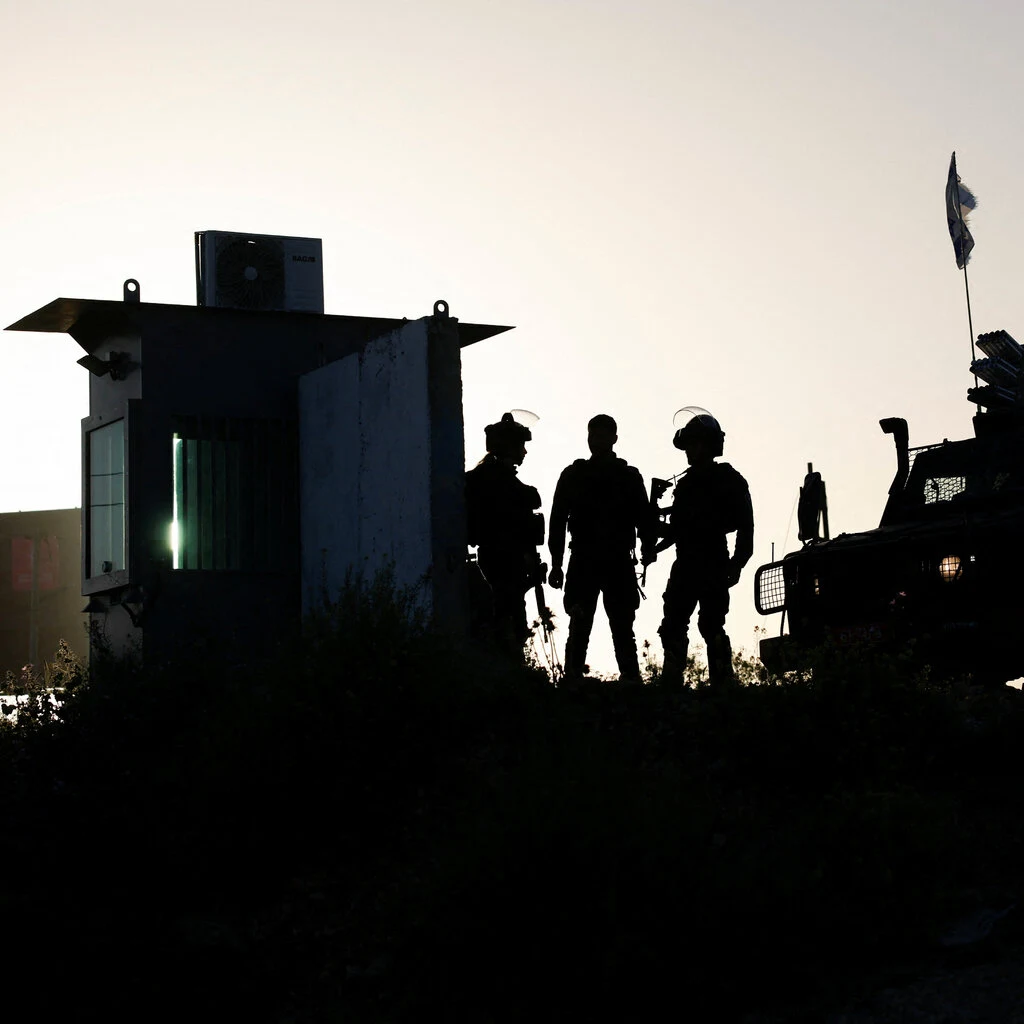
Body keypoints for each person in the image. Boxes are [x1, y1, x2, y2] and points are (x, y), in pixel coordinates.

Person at [548, 414, 656, 684]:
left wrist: (648, 547)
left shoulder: (626, 477)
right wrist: (557, 563)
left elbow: (644, 519)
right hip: (585, 560)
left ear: (613, 439)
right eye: (593, 435)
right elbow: (558, 521)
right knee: (580, 622)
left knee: (621, 626)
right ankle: (574, 677)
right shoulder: (575, 475)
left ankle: (629, 679)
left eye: (601, 435)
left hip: (615, 561)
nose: (596, 441)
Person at [653, 407, 753, 687]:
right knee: (673, 623)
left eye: (695, 444)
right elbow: (677, 529)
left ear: (709, 445)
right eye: (688, 445)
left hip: (713, 560)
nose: (690, 451)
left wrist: (737, 563)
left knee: (711, 624)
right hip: (685, 562)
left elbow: (746, 526)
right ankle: (672, 680)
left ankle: (722, 680)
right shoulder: (685, 486)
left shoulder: (729, 479)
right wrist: (654, 535)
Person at [465, 412, 544, 658]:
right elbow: (523, 508)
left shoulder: (488, 477)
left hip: (502, 559)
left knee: (507, 621)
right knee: (508, 624)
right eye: (521, 445)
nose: (525, 452)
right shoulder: (498, 480)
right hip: (504, 560)